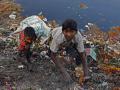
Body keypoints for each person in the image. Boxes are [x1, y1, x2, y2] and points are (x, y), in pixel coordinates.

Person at [49, 19, 89, 84]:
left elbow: (82, 55)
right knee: (51, 53)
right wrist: (65, 73)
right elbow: (52, 55)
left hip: (70, 42)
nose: (69, 34)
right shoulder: (58, 37)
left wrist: (86, 74)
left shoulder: (78, 37)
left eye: (71, 31)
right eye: (66, 31)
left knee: (79, 55)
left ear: (76, 32)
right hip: (57, 39)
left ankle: (69, 48)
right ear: (62, 31)